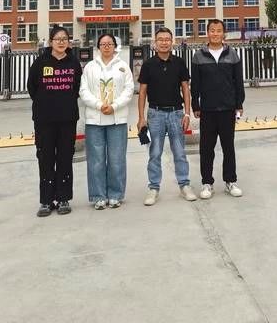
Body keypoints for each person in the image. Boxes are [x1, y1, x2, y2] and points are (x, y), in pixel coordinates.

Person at [137, 27, 197, 206]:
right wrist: (141, 118)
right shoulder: (148, 65)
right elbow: (142, 92)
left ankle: (184, 185)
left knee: (179, 152)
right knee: (154, 153)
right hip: (155, 114)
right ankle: (153, 188)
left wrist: (187, 113)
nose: (164, 42)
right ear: (155, 43)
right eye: (160, 39)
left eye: (167, 39)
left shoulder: (179, 63)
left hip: (176, 113)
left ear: (172, 42)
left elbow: (185, 88)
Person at [27, 25, 82, 217]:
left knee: (65, 158)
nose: (61, 42)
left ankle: (64, 198)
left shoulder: (73, 62)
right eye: (57, 39)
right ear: (51, 41)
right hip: (44, 120)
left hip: (67, 119)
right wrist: (46, 102)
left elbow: (77, 87)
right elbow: (32, 87)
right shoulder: (40, 62)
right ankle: (46, 200)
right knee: (46, 158)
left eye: (64, 39)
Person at [79, 33, 134, 209]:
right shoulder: (90, 67)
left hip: (117, 119)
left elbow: (129, 89)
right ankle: (98, 196)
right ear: (98, 47)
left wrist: (114, 106)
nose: (107, 46)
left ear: (115, 46)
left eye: (110, 43)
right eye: (103, 44)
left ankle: (116, 194)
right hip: (95, 119)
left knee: (117, 158)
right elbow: (83, 90)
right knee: (96, 160)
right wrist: (99, 105)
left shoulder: (123, 67)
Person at [191, 19, 245, 200]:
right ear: (207, 33)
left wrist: (239, 104)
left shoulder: (232, 54)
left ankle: (230, 181)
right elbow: (195, 84)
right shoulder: (199, 56)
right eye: (212, 30)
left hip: (228, 109)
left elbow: (238, 81)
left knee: (228, 147)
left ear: (224, 34)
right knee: (206, 148)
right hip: (207, 110)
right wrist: (196, 105)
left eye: (218, 30)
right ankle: (207, 183)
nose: (215, 33)